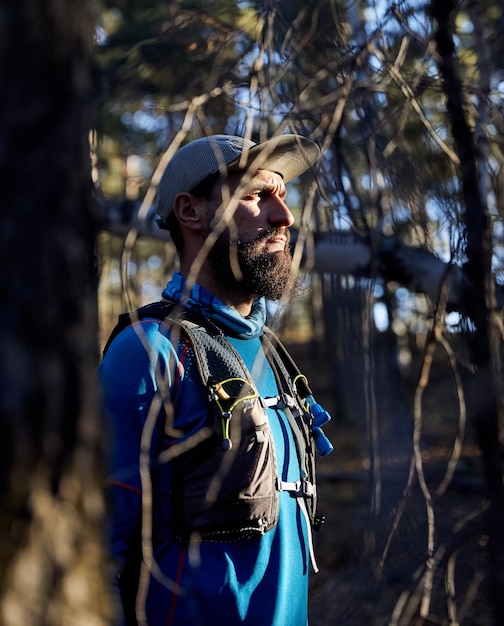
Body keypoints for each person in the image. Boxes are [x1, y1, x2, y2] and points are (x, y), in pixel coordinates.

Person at [100, 133, 331, 626]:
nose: (283, 217)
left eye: (282, 197)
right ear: (191, 211)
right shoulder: (147, 352)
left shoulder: (277, 360)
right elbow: (100, 556)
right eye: (255, 195)